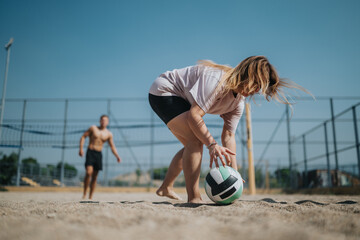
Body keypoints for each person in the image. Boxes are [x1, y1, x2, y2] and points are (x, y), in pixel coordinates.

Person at [148, 56, 309, 203]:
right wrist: (212, 144)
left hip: (181, 98)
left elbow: (229, 135)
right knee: (196, 141)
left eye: (258, 88)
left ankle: (165, 188)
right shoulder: (217, 80)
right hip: (164, 90)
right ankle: (194, 198)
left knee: (192, 145)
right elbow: (194, 115)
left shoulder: (238, 102)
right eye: (255, 83)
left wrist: (234, 172)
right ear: (246, 74)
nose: (254, 91)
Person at [79, 115, 121, 199]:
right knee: (88, 172)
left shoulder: (108, 134)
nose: (103, 122)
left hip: (98, 154)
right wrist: (81, 149)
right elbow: (83, 136)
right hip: (90, 151)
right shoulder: (93, 128)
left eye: (105, 120)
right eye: (102, 120)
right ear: (99, 121)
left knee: (94, 177)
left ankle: (90, 196)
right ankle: (84, 193)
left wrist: (117, 156)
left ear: (107, 122)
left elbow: (112, 146)